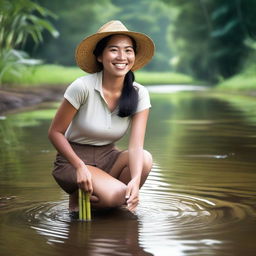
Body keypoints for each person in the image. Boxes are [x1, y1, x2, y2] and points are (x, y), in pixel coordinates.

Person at [48, 20, 155, 213]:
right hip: (72, 161)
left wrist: (135, 180)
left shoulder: (139, 93)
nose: (122, 57)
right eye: (114, 50)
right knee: (117, 196)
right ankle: (81, 198)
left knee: (145, 159)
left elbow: (136, 145)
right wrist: (80, 166)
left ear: (134, 56)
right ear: (99, 56)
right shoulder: (82, 87)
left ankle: (101, 201)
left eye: (128, 50)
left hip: (109, 157)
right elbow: (55, 132)